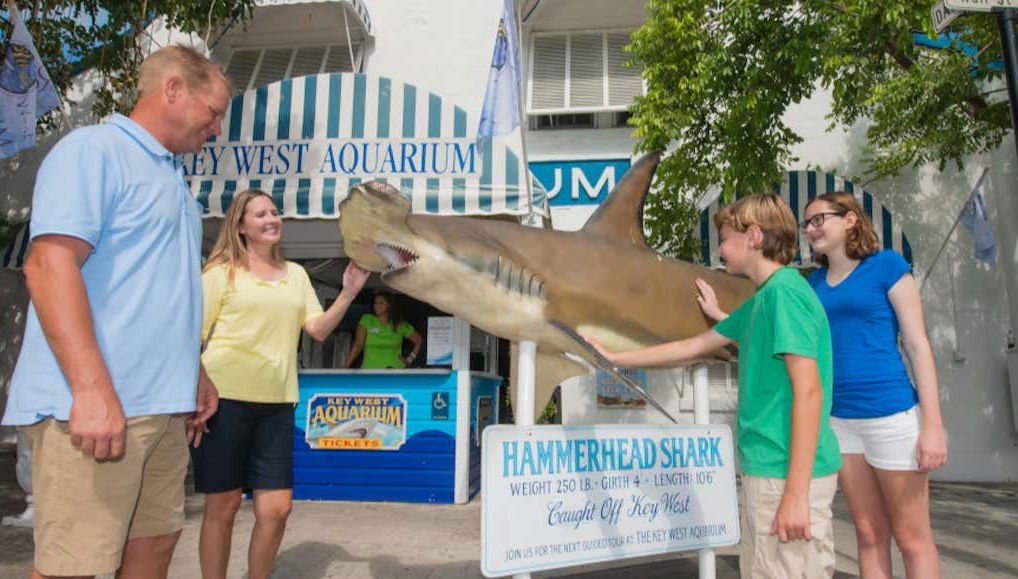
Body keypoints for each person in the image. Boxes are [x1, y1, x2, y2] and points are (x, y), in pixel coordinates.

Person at [1, 45, 230, 578]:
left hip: (161, 408)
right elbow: (48, 266)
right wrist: (90, 389)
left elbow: (153, 290)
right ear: (172, 88)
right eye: (213, 112)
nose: (216, 129)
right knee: (74, 568)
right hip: (97, 407)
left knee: (153, 548)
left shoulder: (173, 178)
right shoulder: (94, 150)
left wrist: (193, 372)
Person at [587, 194, 842, 579]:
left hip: (785, 472)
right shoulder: (763, 300)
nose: (720, 249)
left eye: (724, 238)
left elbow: (809, 392)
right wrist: (616, 357)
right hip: (767, 470)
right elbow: (692, 346)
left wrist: (796, 492)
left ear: (754, 236)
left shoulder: (785, 295)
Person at [699, 190, 947, 578]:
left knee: (912, 537)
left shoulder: (887, 266)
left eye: (820, 219)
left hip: (890, 413)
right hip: (838, 422)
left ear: (850, 219)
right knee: (868, 532)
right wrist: (720, 316)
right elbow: (776, 335)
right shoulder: (811, 284)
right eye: (807, 222)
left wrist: (932, 426)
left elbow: (917, 345)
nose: (811, 228)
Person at [192, 188, 370, 579]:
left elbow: (318, 330)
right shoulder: (220, 273)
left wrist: (349, 291)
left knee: (277, 509)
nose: (272, 219)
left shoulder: (297, 275)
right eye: (260, 215)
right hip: (223, 401)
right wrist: (196, 391)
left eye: (274, 212)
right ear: (240, 227)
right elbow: (192, 336)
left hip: (277, 404)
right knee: (222, 508)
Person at [344, 291, 423, 369]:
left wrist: (410, 359)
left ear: (390, 305)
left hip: (394, 370)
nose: (376, 305)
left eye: (381, 303)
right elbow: (358, 345)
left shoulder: (400, 324)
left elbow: (419, 340)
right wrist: (345, 367)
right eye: (375, 303)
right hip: (370, 370)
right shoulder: (367, 320)